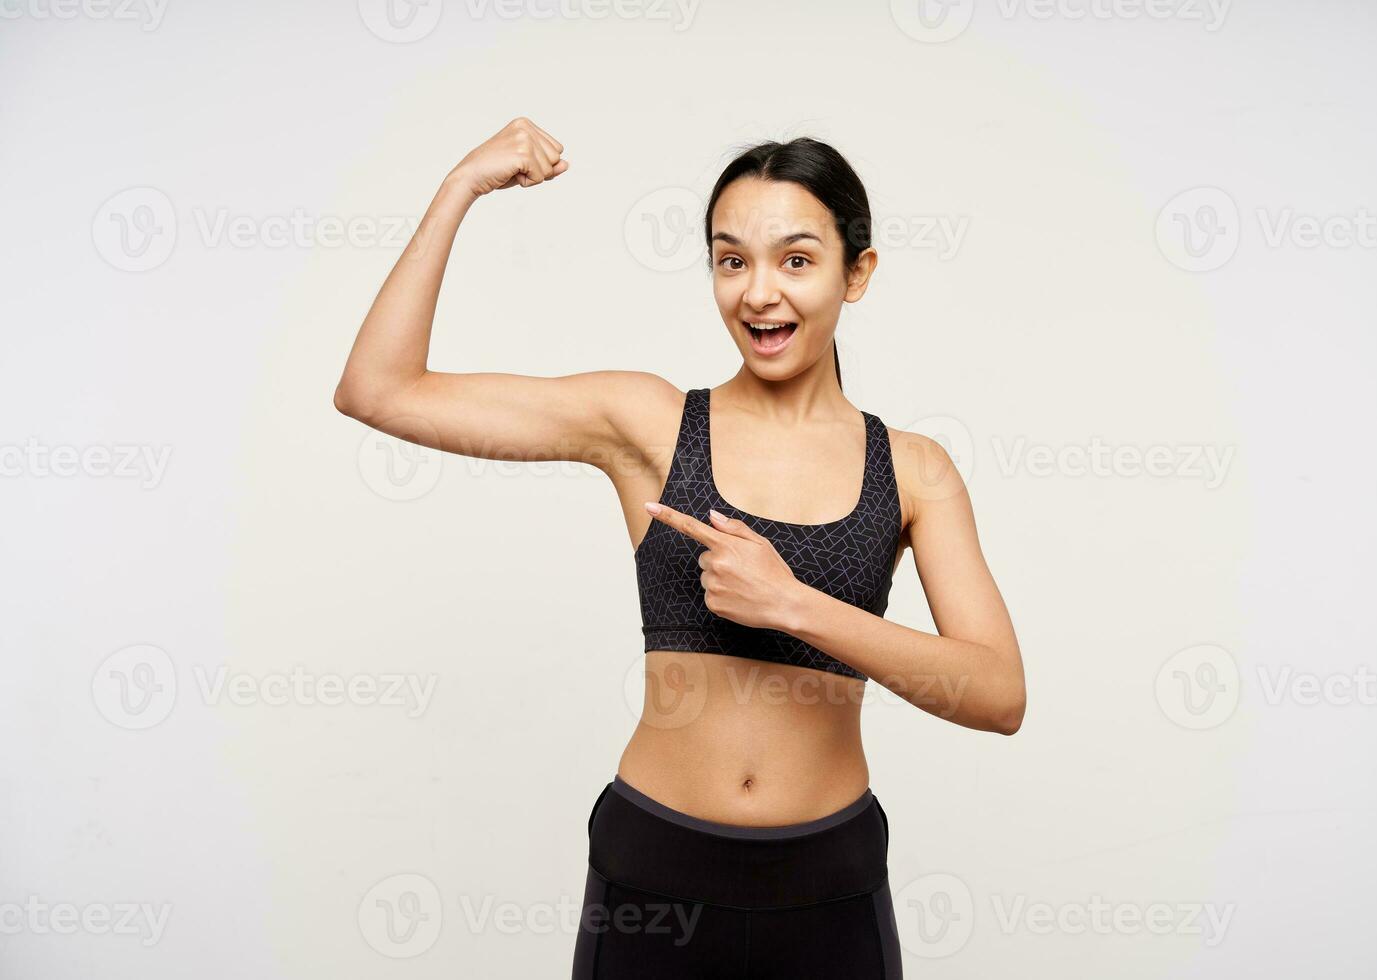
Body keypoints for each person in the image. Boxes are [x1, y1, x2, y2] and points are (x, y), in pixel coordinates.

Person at [333, 116, 1026, 979]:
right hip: (657, 875)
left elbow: (998, 695)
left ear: (859, 274)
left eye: (797, 260)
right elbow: (377, 390)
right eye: (731, 259)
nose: (759, 293)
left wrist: (793, 605)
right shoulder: (650, 424)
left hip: (829, 881)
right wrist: (461, 184)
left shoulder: (915, 470)